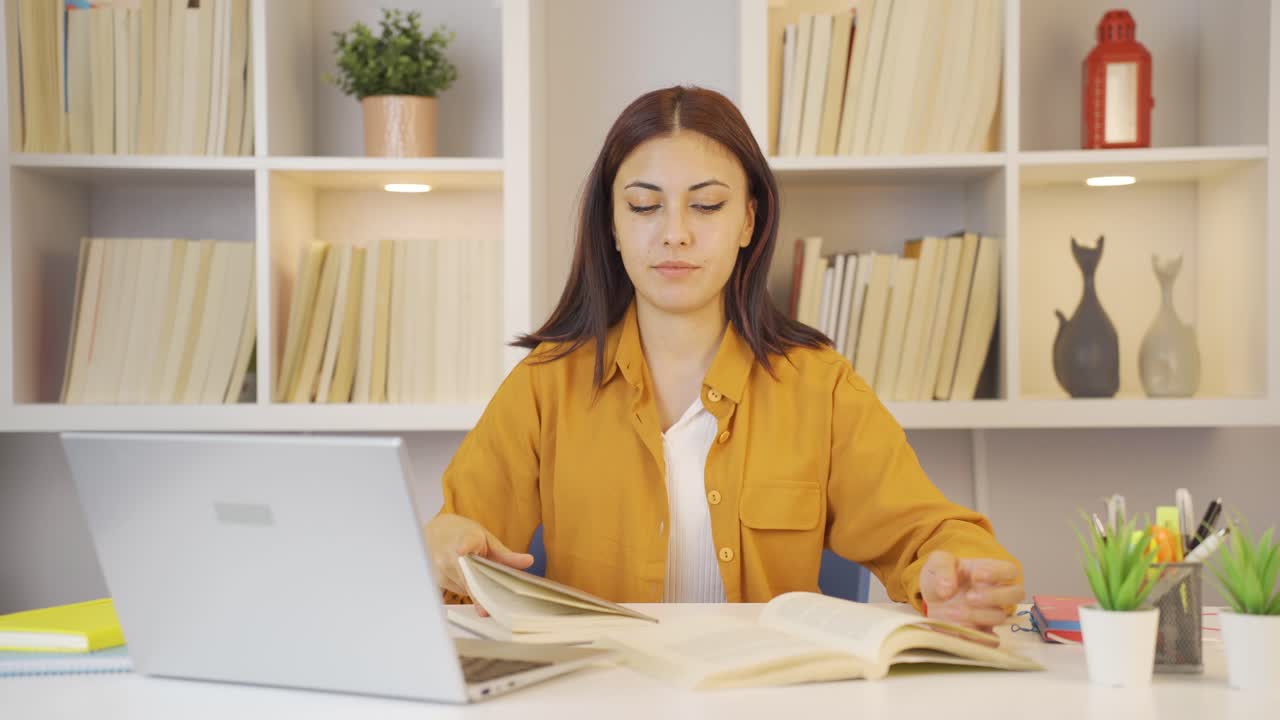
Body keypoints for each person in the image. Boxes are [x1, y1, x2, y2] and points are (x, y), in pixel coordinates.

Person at [425, 86, 1023, 632]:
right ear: (611, 224)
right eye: (643, 206)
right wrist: (443, 549)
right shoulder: (544, 386)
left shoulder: (820, 386)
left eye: (707, 206)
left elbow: (927, 533)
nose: (675, 233)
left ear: (748, 220)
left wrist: (963, 576)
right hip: (600, 697)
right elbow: (457, 538)